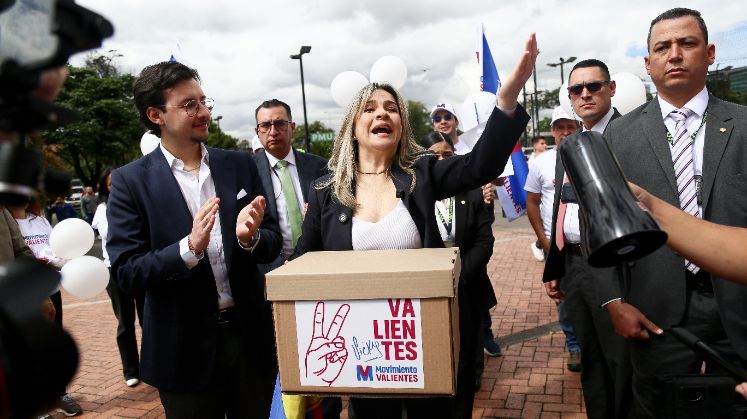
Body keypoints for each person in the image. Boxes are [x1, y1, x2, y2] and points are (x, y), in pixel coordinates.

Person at [290, 33, 536, 419]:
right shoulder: (325, 192)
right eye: (370, 108)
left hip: (423, 339)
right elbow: (302, 264)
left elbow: (480, 166)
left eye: (391, 109)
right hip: (363, 351)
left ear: (402, 125)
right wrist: (252, 240)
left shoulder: (423, 174)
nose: (382, 114)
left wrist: (506, 103)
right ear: (353, 126)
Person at [106, 61, 282, 419]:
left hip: (250, 341)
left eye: (203, 101)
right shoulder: (130, 182)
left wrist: (250, 239)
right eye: (189, 105)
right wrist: (188, 249)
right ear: (156, 115)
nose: (203, 112)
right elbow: (127, 271)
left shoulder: (240, 164)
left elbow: (273, 239)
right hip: (181, 350)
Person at [603, 8, 747, 418]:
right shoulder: (619, 134)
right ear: (648, 63)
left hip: (739, 306)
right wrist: (614, 301)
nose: (675, 54)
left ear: (710, 53)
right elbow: (601, 228)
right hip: (656, 310)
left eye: (687, 43)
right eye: (662, 47)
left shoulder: (743, 124)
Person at [543, 59, 631, 419]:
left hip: (619, 266)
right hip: (575, 267)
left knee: (622, 361)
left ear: (611, 89)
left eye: (593, 86)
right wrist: (555, 264)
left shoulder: (633, 137)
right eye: (576, 89)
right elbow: (560, 209)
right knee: (590, 358)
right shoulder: (569, 145)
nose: (585, 95)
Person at [252, 99, 335, 419]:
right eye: (265, 125)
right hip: (270, 277)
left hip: (317, 276)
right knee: (282, 356)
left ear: (292, 127)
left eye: (279, 123)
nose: (273, 131)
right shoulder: (247, 171)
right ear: (257, 131)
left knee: (325, 348)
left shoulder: (319, 166)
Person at [420, 131, 496, 418]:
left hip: (466, 288)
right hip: (428, 293)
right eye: (434, 155)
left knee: (464, 362)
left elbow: (484, 242)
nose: (441, 160)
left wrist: (457, 275)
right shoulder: (414, 195)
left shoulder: (472, 192)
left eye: (447, 154)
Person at [8, 197, 83, 417]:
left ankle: (58, 394)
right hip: (23, 292)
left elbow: (55, 248)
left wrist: (61, 259)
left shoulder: (39, 220)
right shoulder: (7, 220)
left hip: (49, 290)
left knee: (52, 344)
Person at [524, 106, 582, 373]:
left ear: (578, 128)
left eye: (570, 126)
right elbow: (532, 202)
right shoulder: (541, 162)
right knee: (563, 298)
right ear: (553, 131)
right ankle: (574, 345)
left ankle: (595, 343)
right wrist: (543, 239)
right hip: (556, 247)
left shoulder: (590, 155)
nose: (565, 131)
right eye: (560, 127)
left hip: (589, 244)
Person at [91, 168, 146, 388]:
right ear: (105, 187)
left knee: (148, 319)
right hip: (114, 271)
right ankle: (131, 370)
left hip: (139, 266)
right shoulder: (102, 209)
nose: (115, 185)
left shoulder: (137, 202)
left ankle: (152, 365)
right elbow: (110, 233)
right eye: (110, 183)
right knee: (125, 322)